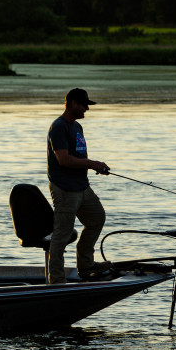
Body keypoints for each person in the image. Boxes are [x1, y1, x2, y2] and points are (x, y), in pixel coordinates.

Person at [46, 88, 111, 285]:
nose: (86, 109)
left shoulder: (76, 127)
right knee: (62, 234)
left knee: (96, 218)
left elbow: (78, 157)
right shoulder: (59, 127)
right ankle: (56, 280)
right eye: (84, 105)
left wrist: (94, 166)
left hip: (82, 187)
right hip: (65, 188)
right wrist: (93, 164)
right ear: (73, 104)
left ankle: (86, 265)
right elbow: (63, 160)